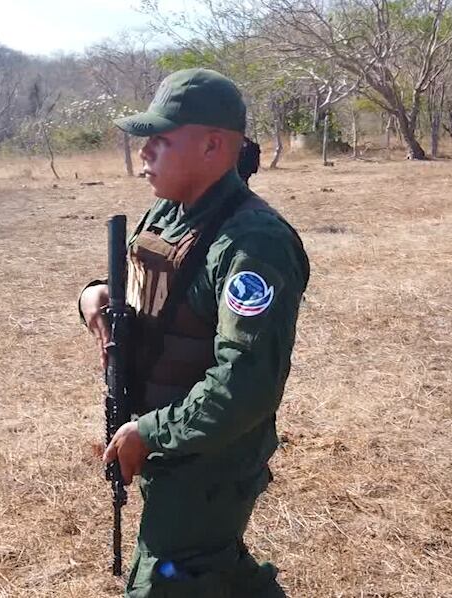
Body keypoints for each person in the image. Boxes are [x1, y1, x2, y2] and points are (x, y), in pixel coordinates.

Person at [78, 68, 309, 598]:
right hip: (168, 434)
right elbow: (150, 292)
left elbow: (246, 382)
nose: (144, 155)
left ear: (212, 145)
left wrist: (150, 432)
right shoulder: (171, 211)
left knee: (164, 580)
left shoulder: (253, 244)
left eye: (160, 140)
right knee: (210, 567)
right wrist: (93, 296)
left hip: (210, 455)